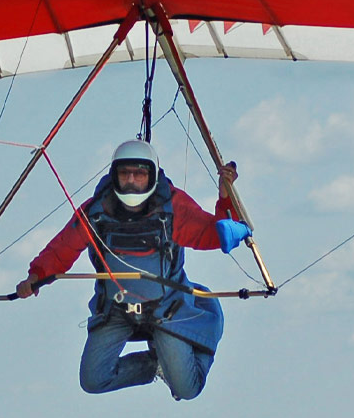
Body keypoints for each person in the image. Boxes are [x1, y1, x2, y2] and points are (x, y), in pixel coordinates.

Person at [16, 139, 251, 400]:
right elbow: (62, 249)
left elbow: (217, 233)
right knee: (93, 380)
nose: (130, 180)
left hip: (166, 310)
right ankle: (155, 364)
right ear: (114, 175)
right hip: (117, 310)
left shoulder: (172, 208)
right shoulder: (97, 211)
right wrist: (36, 276)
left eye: (139, 174)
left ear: (151, 176)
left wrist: (225, 197)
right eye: (124, 173)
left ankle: (198, 343)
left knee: (187, 389)